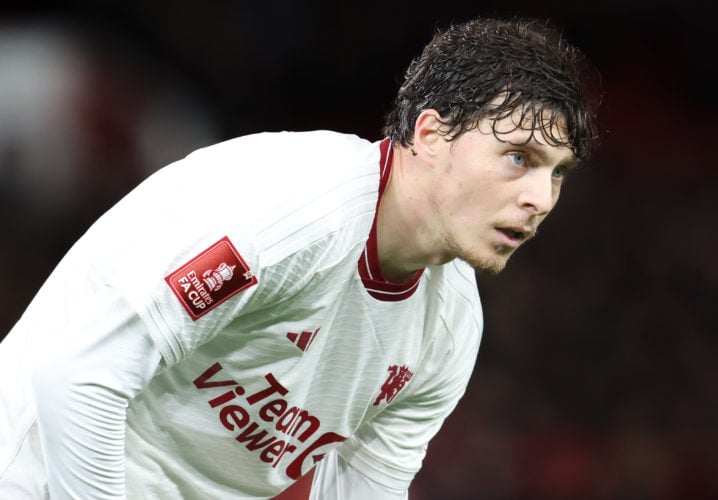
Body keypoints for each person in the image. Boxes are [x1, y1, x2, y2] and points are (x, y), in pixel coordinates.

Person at [0, 16, 599, 499]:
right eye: (519, 157)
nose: (540, 198)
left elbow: (368, 488)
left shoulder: (450, 329)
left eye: (558, 173)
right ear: (431, 135)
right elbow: (76, 378)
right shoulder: (288, 217)